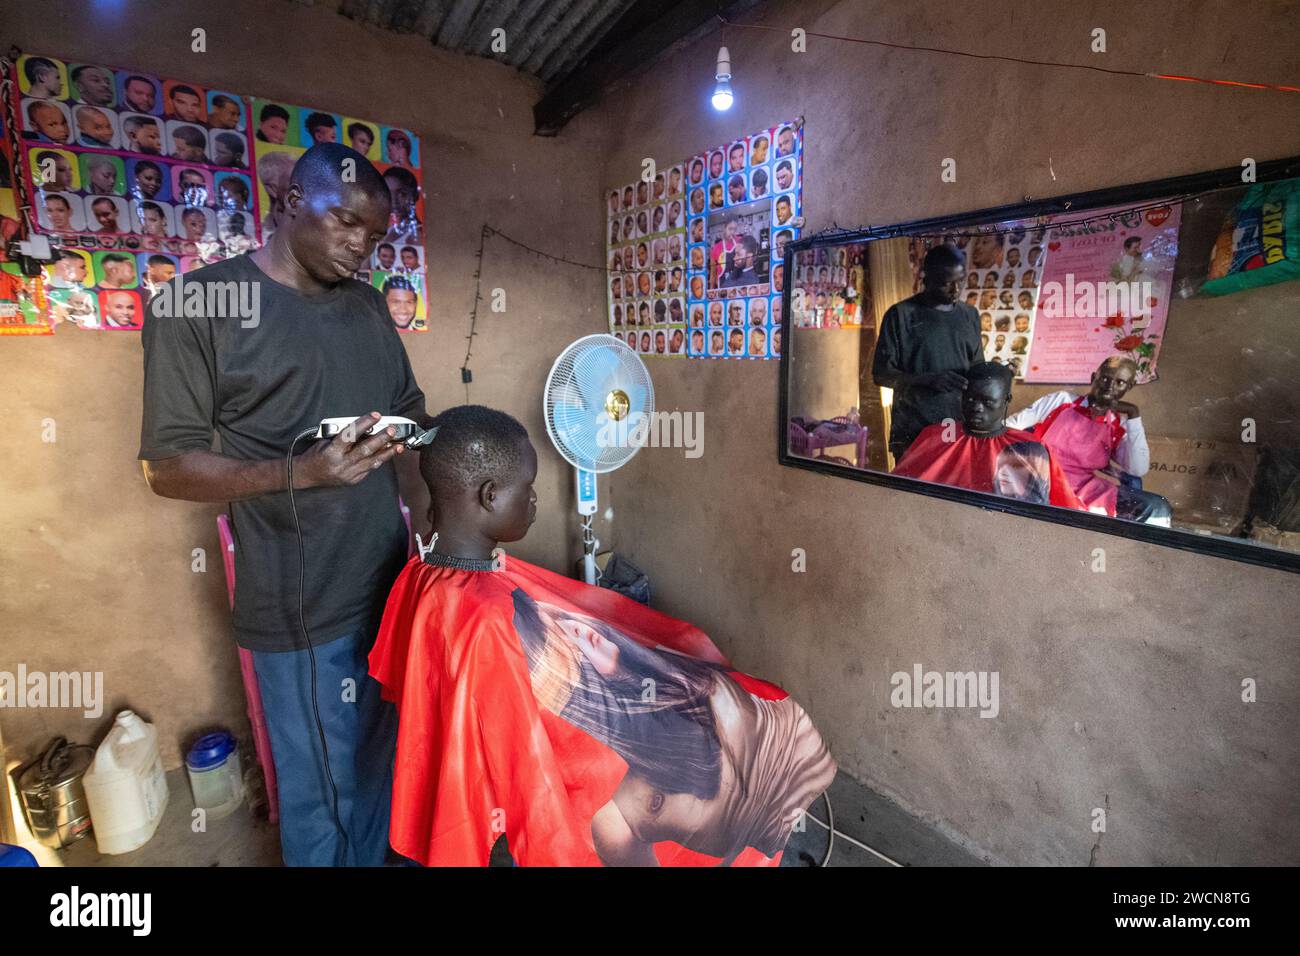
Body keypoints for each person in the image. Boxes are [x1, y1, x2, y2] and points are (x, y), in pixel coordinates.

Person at [368, 406, 835, 866]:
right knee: (757, 722)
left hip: (598, 714)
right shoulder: (487, 619)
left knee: (723, 694)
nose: (534, 500)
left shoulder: (423, 572)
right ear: (490, 496)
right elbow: (522, 764)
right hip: (572, 751)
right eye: (527, 489)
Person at [138, 142, 432, 867]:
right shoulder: (194, 305)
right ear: (291, 202)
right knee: (318, 793)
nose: (361, 247)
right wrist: (296, 474)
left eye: (375, 234)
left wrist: (439, 486)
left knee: (374, 766)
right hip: (301, 598)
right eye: (346, 223)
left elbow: (410, 409)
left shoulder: (365, 305)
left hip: (389, 583)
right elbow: (166, 468)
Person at [893, 362, 1086, 510]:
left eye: (987, 401)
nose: (976, 408)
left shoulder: (1029, 448)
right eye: (970, 399)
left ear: (1007, 400)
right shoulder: (939, 434)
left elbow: (1055, 509)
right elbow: (898, 492)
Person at [1005, 356, 1171, 524]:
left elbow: (1137, 469)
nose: (1109, 387)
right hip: (1041, 479)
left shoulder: (1117, 423)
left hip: (1086, 488)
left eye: (1120, 383)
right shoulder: (1063, 401)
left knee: (1157, 507)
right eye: (1105, 378)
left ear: (1129, 387)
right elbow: (1010, 426)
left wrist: (1133, 414)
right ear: (1094, 378)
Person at [871, 244, 982, 460]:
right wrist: (927, 380)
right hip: (913, 427)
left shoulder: (970, 315)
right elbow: (880, 375)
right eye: (946, 284)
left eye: (961, 281)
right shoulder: (901, 315)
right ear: (926, 278)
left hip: (957, 424)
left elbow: (977, 367)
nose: (956, 290)